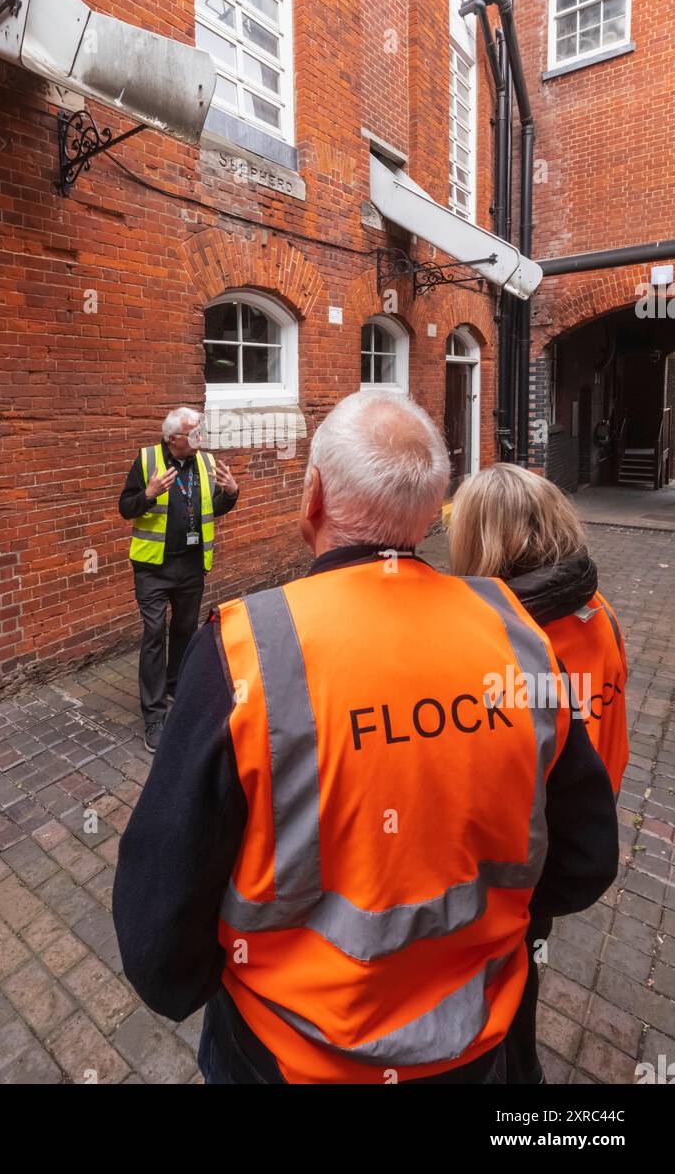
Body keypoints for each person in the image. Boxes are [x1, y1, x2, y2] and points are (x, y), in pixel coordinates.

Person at [113, 392, 618, 1084]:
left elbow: (158, 926)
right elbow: (587, 858)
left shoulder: (244, 649)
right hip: (475, 1042)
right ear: (431, 505)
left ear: (314, 495)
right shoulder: (519, 637)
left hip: (289, 1054)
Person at [448, 462, 627, 1083]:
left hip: (509, 866)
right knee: (524, 975)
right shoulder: (597, 611)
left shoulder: (499, 641)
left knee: (498, 994)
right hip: (568, 842)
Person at [118, 406, 239, 753]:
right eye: (193, 432)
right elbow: (126, 508)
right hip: (153, 568)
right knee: (155, 633)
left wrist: (230, 493)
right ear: (173, 439)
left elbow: (210, 508)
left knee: (185, 630)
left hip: (191, 565)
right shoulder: (147, 461)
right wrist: (149, 494)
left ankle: (176, 686)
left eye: (200, 430)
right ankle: (154, 715)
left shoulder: (206, 463)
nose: (200, 437)